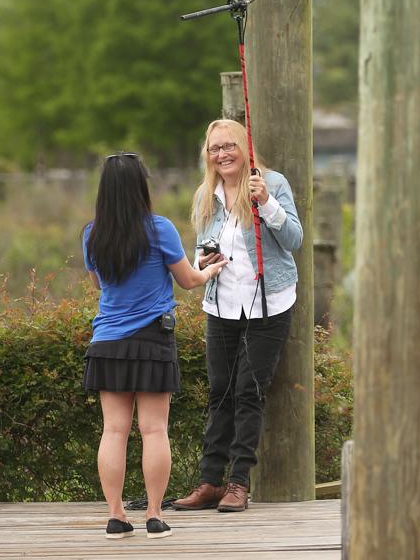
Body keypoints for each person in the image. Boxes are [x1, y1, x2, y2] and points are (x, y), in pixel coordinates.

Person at [82, 152, 227, 540]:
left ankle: (115, 517)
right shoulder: (159, 229)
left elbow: (99, 284)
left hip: (107, 341)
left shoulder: (92, 234)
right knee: (153, 430)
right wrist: (211, 268)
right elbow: (189, 281)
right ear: (141, 187)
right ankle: (153, 515)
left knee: (113, 430)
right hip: (152, 339)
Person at [173, 119, 303, 513]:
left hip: (268, 303)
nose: (222, 154)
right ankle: (209, 481)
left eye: (229, 146)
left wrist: (266, 202)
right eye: (215, 148)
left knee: (249, 392)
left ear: (245, 148)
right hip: (221, 304)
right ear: (207, 155)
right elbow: (200, 252)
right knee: (219, 392)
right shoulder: (205, 196)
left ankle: (238, 482)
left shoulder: (271, 183)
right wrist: (205, 258)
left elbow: (294, 240)